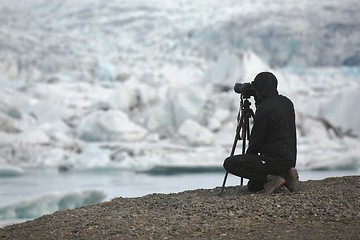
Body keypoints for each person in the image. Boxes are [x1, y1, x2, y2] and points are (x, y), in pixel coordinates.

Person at [223, 72, 300, 194]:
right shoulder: (287, 102)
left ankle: (272, 179)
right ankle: (287, 174)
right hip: (290, 159)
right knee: (253, 186)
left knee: (229, 163)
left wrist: (249, 160)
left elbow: (255, 143)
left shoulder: (264, 109)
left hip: (272, 161)